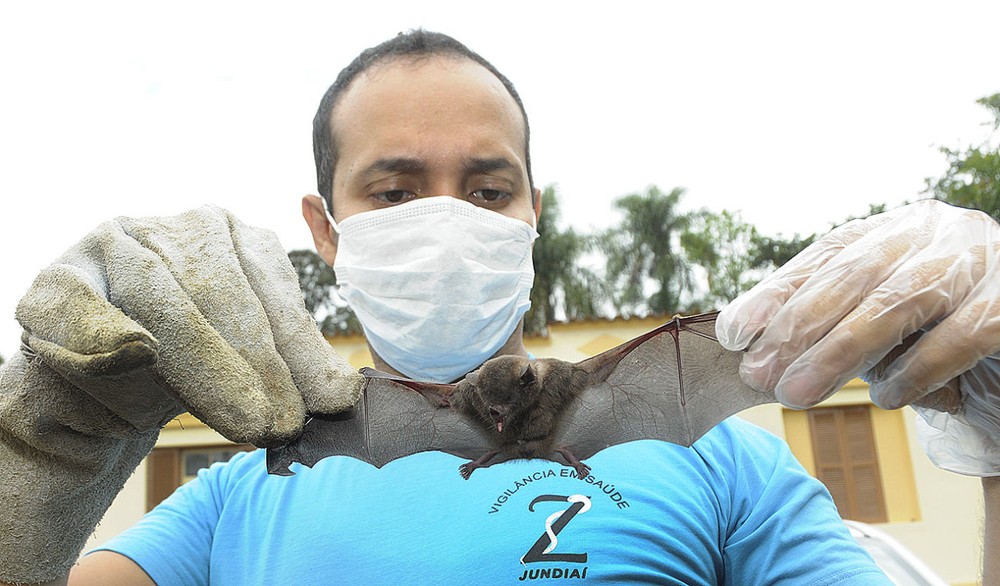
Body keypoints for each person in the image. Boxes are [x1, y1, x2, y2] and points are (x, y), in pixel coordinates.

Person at [1, 29, 996, 585]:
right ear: (326, 227)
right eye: (391, 192)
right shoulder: (249, 483)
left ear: (531, 212)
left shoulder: (713, 451)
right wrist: (40, 452)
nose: (443, 219)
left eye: (485, 189)